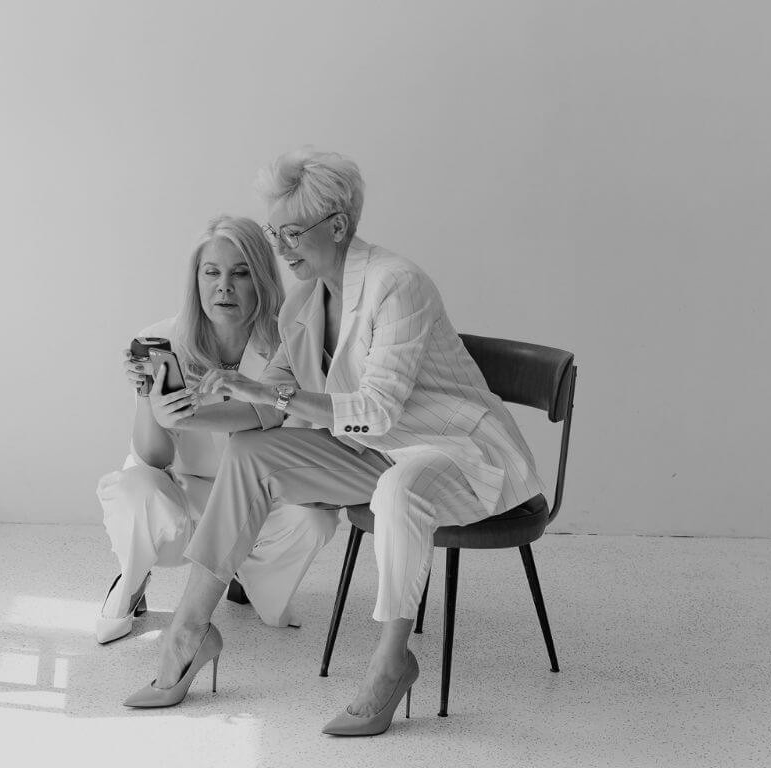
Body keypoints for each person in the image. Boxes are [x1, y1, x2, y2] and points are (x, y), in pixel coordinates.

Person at [122, 149, 544, 737]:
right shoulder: (303, 301)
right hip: (374, 453)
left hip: (457, 454)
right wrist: (183, 412)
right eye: (275, 232)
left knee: (399, 489)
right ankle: (189, 632)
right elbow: (263, 411)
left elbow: (374, 410)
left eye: (292, 233)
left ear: (339, 226)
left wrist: (268, 393)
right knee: (250, 453)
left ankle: (391, 663)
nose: (281, 248)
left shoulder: (397, 285)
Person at [94, 215, 339, 643]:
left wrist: (190, 414)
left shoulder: (290, 344)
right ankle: (132, 582)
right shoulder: (161, 340)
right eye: (212, 273)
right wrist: (146, 396)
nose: (224, 286)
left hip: (258, 498)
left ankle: (255, 581)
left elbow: (280, 424)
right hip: (183, 493)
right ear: (197, 280)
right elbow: (153, 459)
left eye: (240, 273)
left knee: (313, 519)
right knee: (136, 491)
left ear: (261, 280)